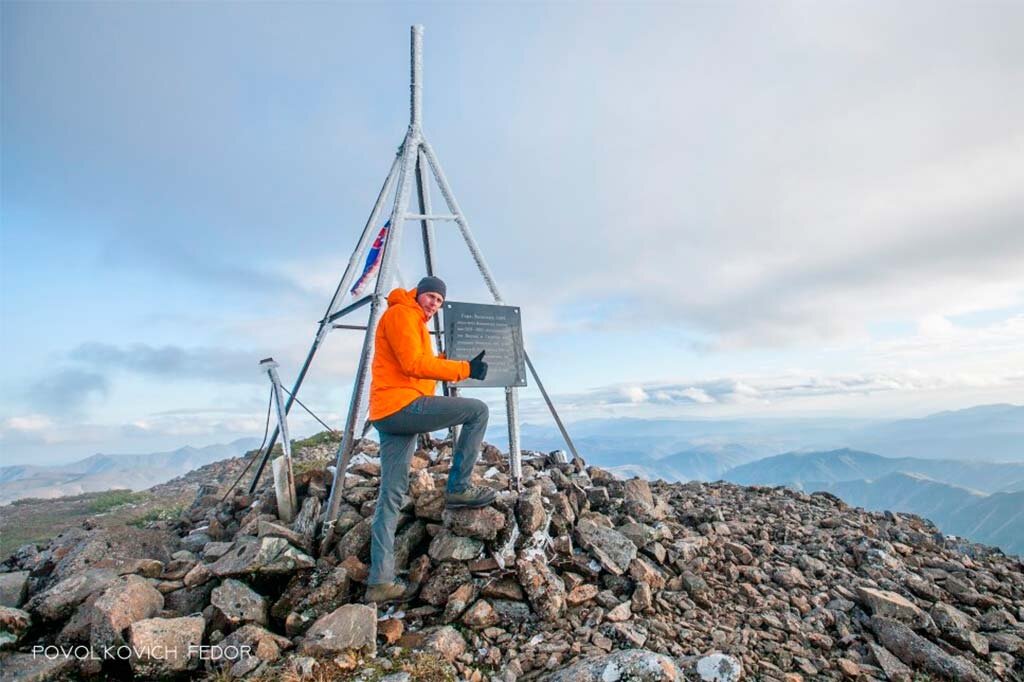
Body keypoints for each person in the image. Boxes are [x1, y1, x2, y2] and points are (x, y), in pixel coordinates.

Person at [363, 275, 493, 604]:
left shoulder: (413, 320)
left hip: (390, 411)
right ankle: (459, 487)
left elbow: (419, 362)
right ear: (418, 294)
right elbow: (413, 364)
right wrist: (464, 368)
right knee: (477, 411)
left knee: (391, 495)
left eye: (439, 300)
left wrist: (450, 360)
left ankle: (379, 581)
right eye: (430, 297)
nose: (434, 304)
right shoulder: (402, 315)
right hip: (402, 406)